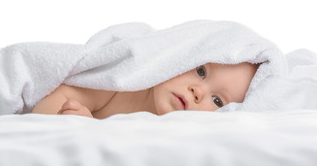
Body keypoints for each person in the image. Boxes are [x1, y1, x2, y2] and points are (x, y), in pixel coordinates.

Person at [32, 62, 259, 119]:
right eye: (201, 71)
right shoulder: (121, 86)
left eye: (217, 101)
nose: (198, 91)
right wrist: (71, 120)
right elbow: (58, 96)